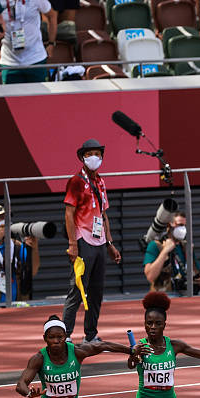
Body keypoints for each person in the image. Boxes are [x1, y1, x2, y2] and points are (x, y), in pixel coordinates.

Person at [63, 138, 121, 343]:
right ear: (82, 157)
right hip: (83, 241)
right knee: (78, 288)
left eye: (97, 154)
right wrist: (72, 244)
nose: (93, 158)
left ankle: (91, 334)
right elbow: (69, 213)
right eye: (89, 154)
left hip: (99, 243)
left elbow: (103, 215)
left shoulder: (101, 182)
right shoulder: (76, 182)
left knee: (96, 291)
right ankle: (66, 335)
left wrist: (110, 244)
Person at [0, 204, 41, 302]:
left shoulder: (16, 245)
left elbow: (33, 271)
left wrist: (34, 248)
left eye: (6, 218)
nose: (4, 221)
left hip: (16, 302)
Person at [143, 211, 200, 294]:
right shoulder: (156, 245)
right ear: (169, 225)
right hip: (164, 296)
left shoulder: (186, 246)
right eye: (180, 225)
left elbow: (197, 275)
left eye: (185, 226)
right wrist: (165, 252)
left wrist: (198, 279)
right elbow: (150, 277)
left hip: (186, 295)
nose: (183, 229)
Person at [0, 0, 57, 83]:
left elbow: (52, 15)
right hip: (9, 62)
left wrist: (51, 43)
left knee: (39, 95)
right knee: (12, 96)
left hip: (35, 59)